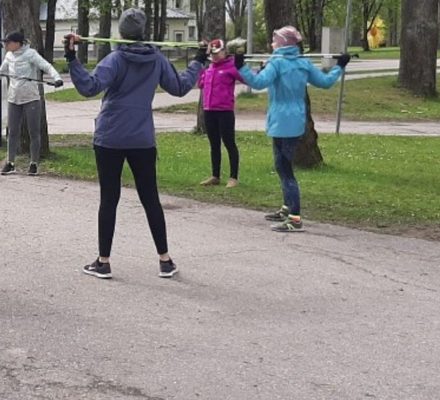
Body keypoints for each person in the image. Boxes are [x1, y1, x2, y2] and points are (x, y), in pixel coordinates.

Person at [64, 8, 206, 280]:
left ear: (122, 32)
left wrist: (72, 57)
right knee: (150, 198)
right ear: (143, 32)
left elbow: (89, 87)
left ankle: (103, 262)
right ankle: (165, 260)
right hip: (141, 138)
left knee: (109, 199)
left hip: (110, 137)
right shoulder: (157, 59)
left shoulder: (115, 59)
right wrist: (199, 60)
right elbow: (179, 87)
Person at [234, 26, 350, 232]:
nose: (272, 43)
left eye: (275, 40)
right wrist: (339, 66)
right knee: (282, 166)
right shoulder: (302, 63)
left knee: (285, 169)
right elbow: (325, 82)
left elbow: (258, 82)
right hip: (295, 120)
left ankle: (295, 218)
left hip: (281, 121)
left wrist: (241, 66)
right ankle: (287, 208)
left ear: (282, 43)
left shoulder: (277, 63)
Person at [0, 32, 63, 176]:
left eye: (8, 42)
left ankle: (34, 163)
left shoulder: (31, 54)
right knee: (12, 132)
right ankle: (10, 163)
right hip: (14, 99)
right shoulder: (9, 56)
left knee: (34, 132)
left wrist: (57, 78)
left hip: (31, 98)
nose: (6, 45)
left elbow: (47, 66)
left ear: (18, 43)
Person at [198, 38, 244, 188]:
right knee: (214, 144)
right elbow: (200, 84)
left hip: (225, 111)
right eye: (213, 53)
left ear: (225, 52)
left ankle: (233, 177)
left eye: (218, 52)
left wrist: (240, 62)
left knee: (229, 143)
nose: (215, 56)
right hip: (209, 110)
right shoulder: (209, 68)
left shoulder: (231, 66)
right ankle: (215, 175)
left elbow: (245, 78)